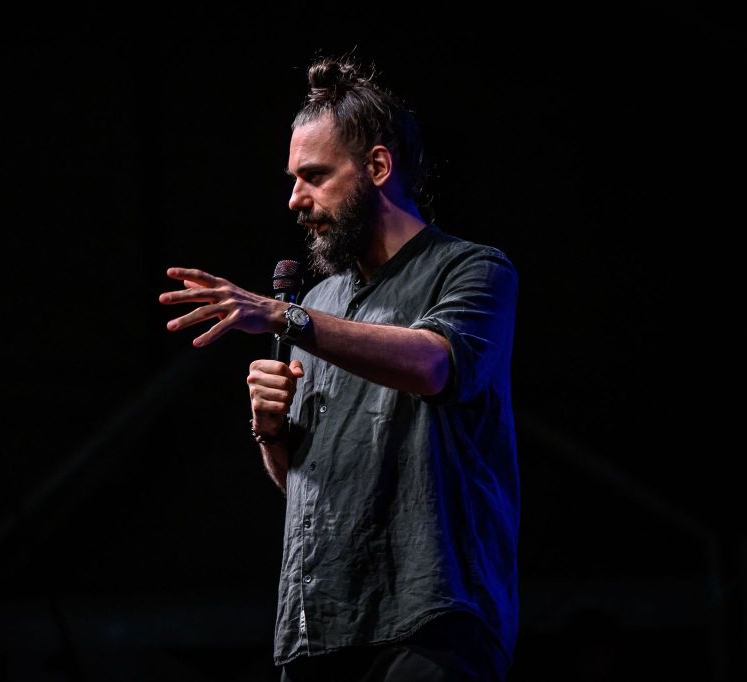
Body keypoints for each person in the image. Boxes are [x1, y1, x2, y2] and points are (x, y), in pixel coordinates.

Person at [159, 55, 519, 682]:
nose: (295, 199)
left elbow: (435, 365)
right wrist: (272, 432)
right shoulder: (319, 302)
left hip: (431, 615)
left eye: (315, 176)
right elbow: (302, 483)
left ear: (377, 167)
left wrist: (284, 317)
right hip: (320, 625)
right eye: (293, 179)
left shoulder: (471, 269)